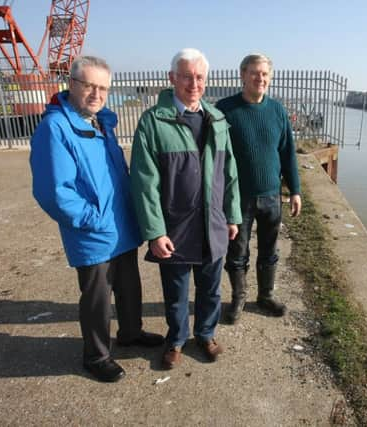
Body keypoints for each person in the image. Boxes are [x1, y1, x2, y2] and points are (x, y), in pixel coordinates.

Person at [29, 56, 163, 383]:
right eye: (89, 85)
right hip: (93, 230)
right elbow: (54, 192)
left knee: (130, 286)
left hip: (121, 225)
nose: (96, 93)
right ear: (72, 84)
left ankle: (131, 332)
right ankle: (97, 355)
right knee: (97, 298)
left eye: (103, 87)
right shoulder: (55, 128)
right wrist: (93, 219)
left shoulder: (102, 122)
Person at [130, 48, 241, 370]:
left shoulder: (218, 119)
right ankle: (176, 339)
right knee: (177, 293)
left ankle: (205, 334)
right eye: (186, 77)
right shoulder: (153, 121)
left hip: (214, 223)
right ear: (172, 78)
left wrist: (232, 215)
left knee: (211, 290)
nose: (194, 84)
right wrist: (155, 231)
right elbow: (143, 182)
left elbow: (230, 172)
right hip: (175, 227)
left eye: (199, 77)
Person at [216, 53, 302, 324]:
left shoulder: (277, 111)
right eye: (254, 73)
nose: (260, 78)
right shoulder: (225, 109)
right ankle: (238, 298)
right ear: (242, 75)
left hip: (271, 195)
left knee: (269, 249)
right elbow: (215, 154)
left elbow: (287, 153)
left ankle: (265, 295)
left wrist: (295, 190)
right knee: (237, 251)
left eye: (265, 74)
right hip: (238, 197)